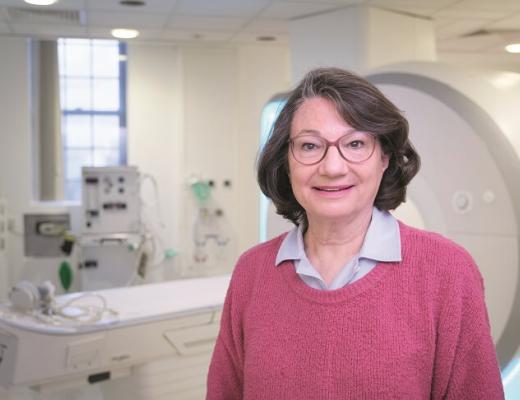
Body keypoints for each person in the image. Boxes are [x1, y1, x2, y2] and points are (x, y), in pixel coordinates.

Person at [206, 67, 504, 399]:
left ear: (385, 157)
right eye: (309, 146)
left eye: (356, 143)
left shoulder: (447, 272)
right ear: (285, 161)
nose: (332, 167)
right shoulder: (253, 272)